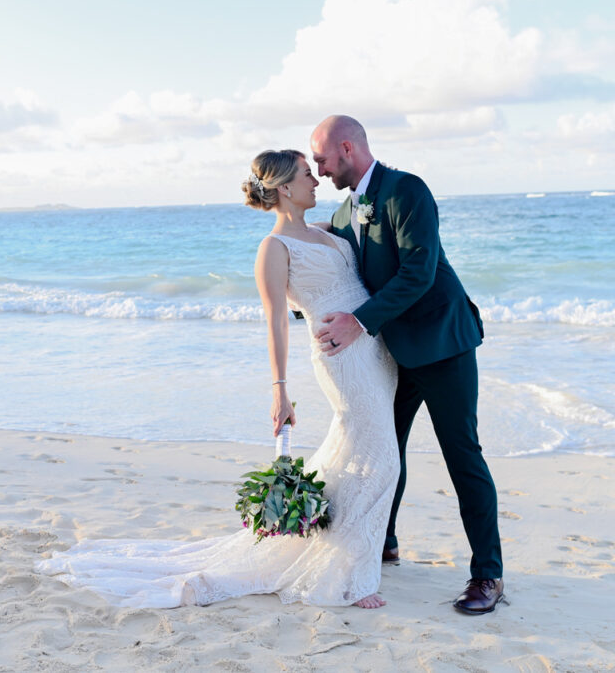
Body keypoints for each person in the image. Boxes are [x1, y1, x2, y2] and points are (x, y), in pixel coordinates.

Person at [35, 149, 400, 609]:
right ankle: (354, 577)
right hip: (341, 358)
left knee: (359, 452)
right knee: (382, 458)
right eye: (308, 174)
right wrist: (280, 391)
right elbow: (276, 321)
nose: (316, 180)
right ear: (285, 188)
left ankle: (335, 547)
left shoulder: (327, 231)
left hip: (375, 354)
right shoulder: (274, 248)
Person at [309, 115, 504, 615]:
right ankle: (384, 542)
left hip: (443, 344)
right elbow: (335, 271)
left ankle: (488, 575)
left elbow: (418, 272)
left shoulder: (407, 190)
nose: (319, 168)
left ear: (347, 149)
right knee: (382, 449)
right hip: (392, 353)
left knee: (463, 456)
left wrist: (358, 322)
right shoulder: (344, 211)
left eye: (322, 159)